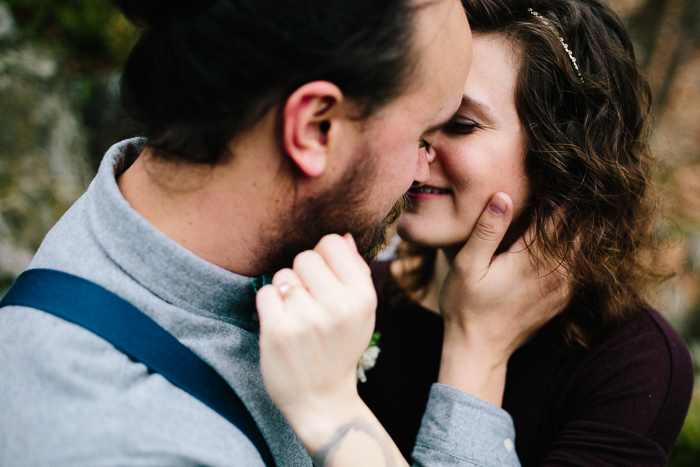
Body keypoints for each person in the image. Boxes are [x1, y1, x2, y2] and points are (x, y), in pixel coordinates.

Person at [0, 0, 545, 466]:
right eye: (424, 133)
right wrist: (344, 414)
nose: (423, 170)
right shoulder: (133, 440)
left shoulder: (182, 219)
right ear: (314, 129)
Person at [351, 0, 694, 465]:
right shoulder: (355, 296)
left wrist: (477, 348)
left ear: (562, 152)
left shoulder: (633, 363)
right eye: (415, 113)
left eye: (460, 124)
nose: (415, 153)